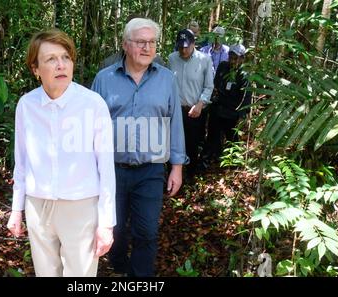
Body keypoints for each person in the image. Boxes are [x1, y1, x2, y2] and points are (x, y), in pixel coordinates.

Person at [6, 29, 116, 277]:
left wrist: (106, 223)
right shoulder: (27, 105)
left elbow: (106, 167)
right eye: (51, 59)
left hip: (81, 206)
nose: (61, 65)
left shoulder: (93, 104)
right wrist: (17, 210)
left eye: (66, 57)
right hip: (38, 205)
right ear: (35, 69)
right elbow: (21, 162)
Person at [91, 18, 187, 277]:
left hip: (151, 170)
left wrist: (177, 167)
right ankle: (120, 270)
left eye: (152, 42)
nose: (147, 48)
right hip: (112, 170)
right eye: (140, 42)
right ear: (125, 44)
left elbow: (175, 123)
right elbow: (90, 126)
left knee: (147, 232)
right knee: (116, 229)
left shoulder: (166, 79)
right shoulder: (104, 79)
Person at [168, 29, 214, 178]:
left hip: (194, 111)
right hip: (175, 111)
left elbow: (209, 86)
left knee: (192, 145)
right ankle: (173, 178)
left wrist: (200, 104)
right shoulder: (172, 58)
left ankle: (191, 176)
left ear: (194, 44)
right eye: (180, 46)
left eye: (186, 46)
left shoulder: (204, 59)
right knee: (173, 145)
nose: (183, 50)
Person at [205, 43, 252, 161]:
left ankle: (235, 161)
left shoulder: (244, 75)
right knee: (213, 136)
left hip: (232, 112)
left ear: (242, 59)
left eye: (235, 58)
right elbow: (215, 84)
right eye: (231, 57)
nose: (232, 61)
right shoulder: (223, 67)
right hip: (218, 108)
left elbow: (246, 97)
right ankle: (213, 157)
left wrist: (242, 114)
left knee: (232, 138)